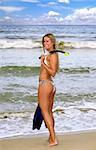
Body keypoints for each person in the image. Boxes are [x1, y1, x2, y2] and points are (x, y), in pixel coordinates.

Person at [38, 33, 59, 146]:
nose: (45, 43)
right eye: (44, 41)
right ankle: (51, 137)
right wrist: (44, 59)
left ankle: (53, 139)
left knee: (45, 112)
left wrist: (42, 62)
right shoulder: (49, 55)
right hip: (48, 84)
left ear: (53, 42)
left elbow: (53, 72)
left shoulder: (53, 55)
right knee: (49, 112)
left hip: (46, 84)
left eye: (47, 41)